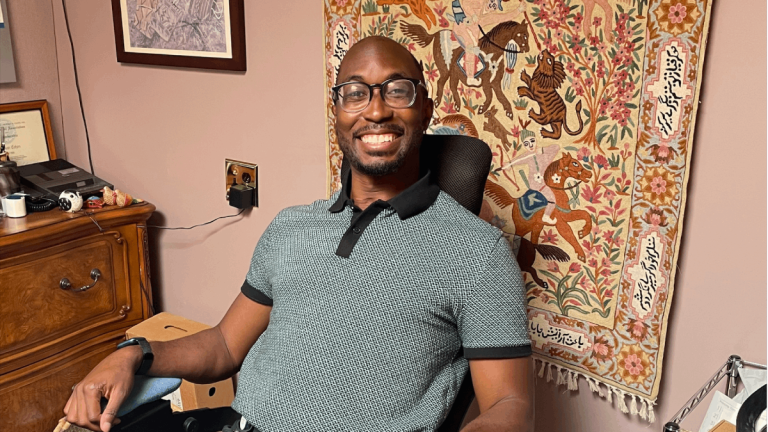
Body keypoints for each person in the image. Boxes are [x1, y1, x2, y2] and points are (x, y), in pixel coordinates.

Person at [63, 36, 533, 432]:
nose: (375, 111)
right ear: (337, 112)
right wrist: (132, 354)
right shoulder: (291, 226)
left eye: (396, 90)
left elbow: (510, 407)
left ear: (425, 108)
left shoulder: (477, 253)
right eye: (355, 93)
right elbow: (224, 346)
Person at [451, 0, 526, 86]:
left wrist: (518, 10)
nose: (491, 6)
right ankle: (470, 78)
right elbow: (465, 3)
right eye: (492, 2)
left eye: (494, 7)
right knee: (471, 45)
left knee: (475, 45)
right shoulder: (479, 2)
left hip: (472, 35)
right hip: (461, 27)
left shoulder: (488, 17)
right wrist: (473, 14)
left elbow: (503, 17)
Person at [500, 130, 560, 224]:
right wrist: (509, 164)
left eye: (532, 141)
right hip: (537, 183)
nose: (530, 145)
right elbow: (518, 160)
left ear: (536, 140)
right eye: (526, 143)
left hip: (547, 179)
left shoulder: (544, 153)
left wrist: (543, 150)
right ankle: (546, 216)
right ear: (524, 145)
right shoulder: (528, 155)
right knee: (552, 199)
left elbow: (556, 147)